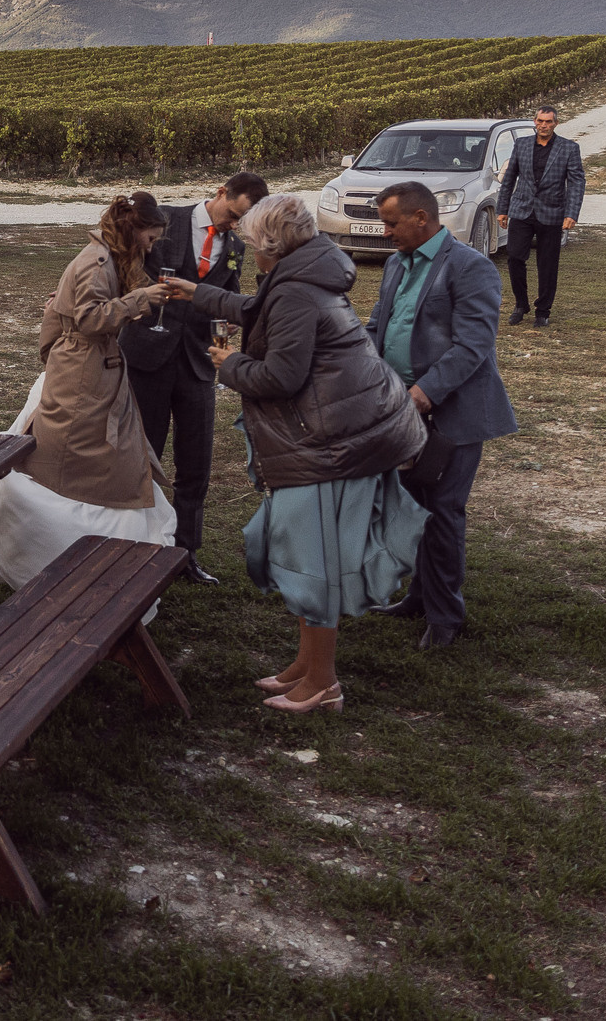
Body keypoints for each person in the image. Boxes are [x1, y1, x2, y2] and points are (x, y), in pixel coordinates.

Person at [216, 193, 430, 713]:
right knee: (307, 557)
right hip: (337, 434)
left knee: (317, 564)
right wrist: (194, 295)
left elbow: (281, 377)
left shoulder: (293, 292)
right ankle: (305, 666)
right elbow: (254, 308)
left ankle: (324, 684)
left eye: (252, 244)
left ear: (270, 245)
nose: (250, 253)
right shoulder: (304, 275)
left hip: (330, 444)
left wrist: (230, 363)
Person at [0, 192, 189, 591]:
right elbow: (87, 320)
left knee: (108, 455)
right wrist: (139, 299)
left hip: (96, 369)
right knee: (75, 458)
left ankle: (109, 549)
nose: (152, 247)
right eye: (150, 239)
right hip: (83, 373)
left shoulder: (112, 258)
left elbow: (82, 307)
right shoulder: (96, 260)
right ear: (133, 230)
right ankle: (49, 552)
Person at [367, 180, 518, 651]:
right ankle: (419, 595)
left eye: (392, 223)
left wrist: (423, 394)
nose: (385, 232)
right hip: (402, 410)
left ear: (421, 218)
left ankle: (446, 615)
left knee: (444, 511)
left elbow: (473, 346)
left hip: (450, 412)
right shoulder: (396, 264)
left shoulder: (471, 267)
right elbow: (379, 324)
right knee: (415, 508)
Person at [121, 171, 269, 583]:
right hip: (146, 357)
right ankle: (138, 547)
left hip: (199, 364)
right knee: (142, 458)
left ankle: (186, 554)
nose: (233, 227)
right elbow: (121, 264)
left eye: (242, 222)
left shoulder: (237, 245)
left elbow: (231, 292)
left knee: (195, 464)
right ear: (221, 192)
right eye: (232, 216)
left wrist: (231, 320)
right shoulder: (165, 219)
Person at [496, 104, 583, 328]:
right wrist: (502, 209)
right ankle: (520, 304)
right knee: (514, 257)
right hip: (522, 210)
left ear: (556, 123)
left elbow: (576, 183)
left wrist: (571, 213)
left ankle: (542, 311)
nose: (543, 125)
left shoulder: (569, 148)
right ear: (534, 122)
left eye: (548, 122)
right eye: (540, 121)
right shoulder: (521, 144)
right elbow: (510, 178)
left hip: (552, 212)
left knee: (547, 264)